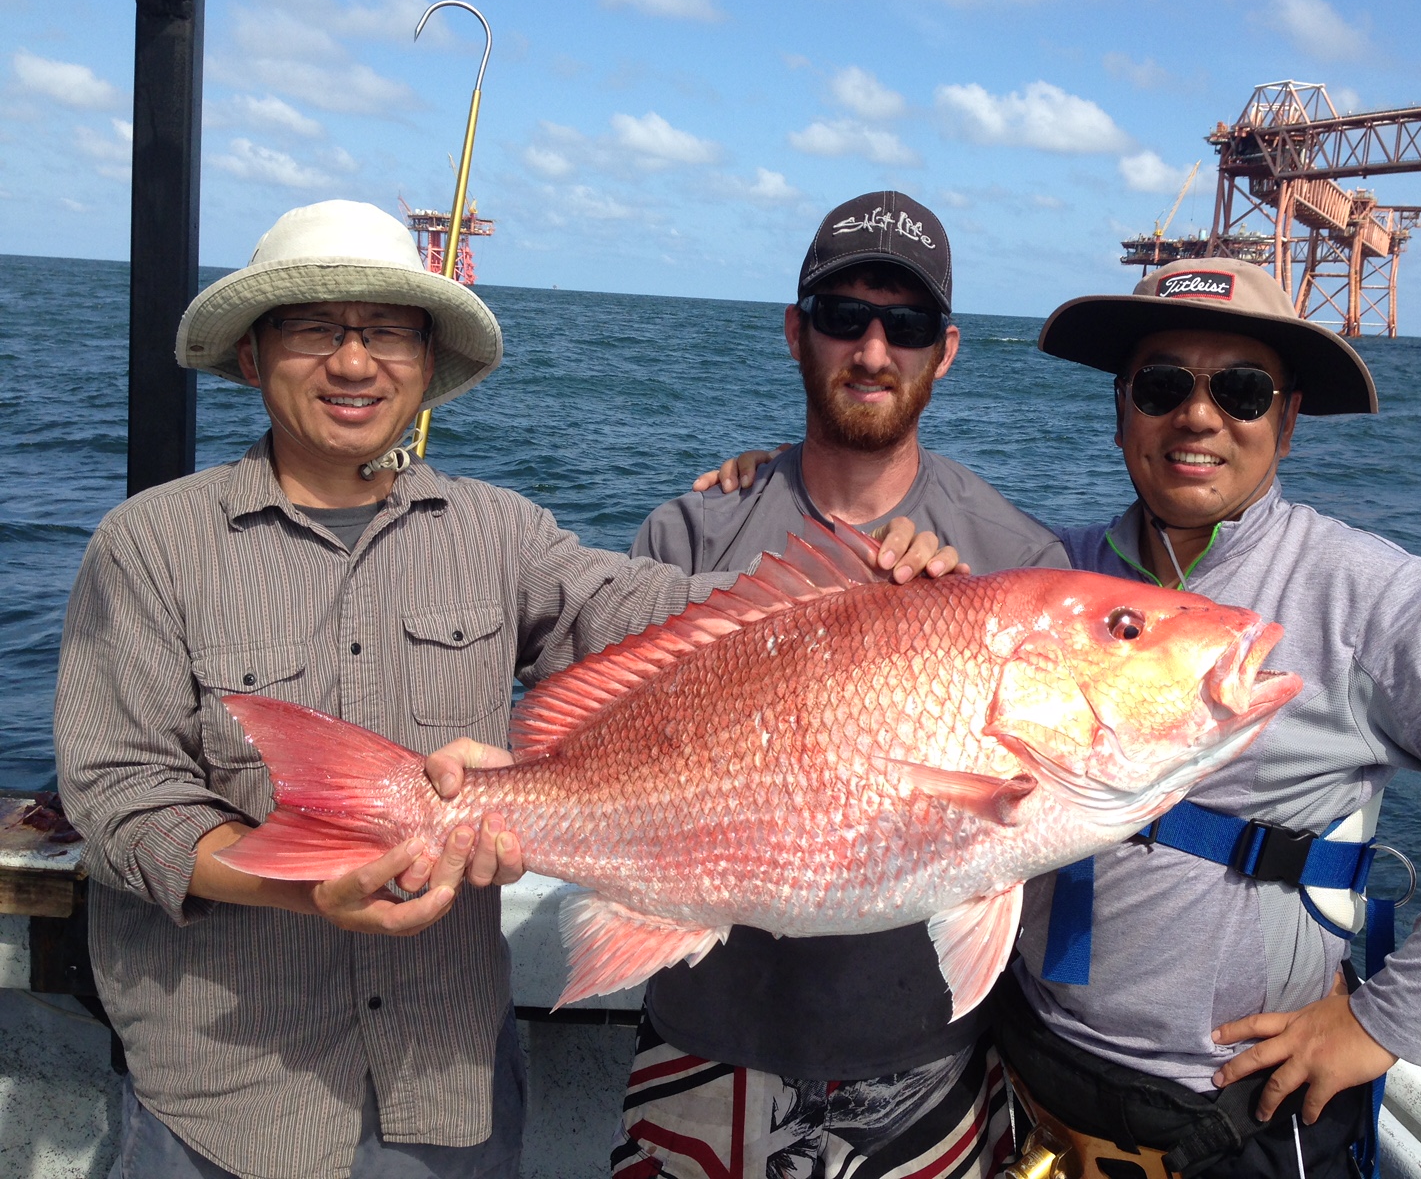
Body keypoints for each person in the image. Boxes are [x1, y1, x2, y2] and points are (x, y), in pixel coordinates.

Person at [53, 199, 950, 1179]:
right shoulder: (148, 547)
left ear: (427, 363)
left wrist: (875, 600)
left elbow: (658, 612)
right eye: (314, 327)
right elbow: (119, 794)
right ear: (253, 356)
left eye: (388, 330)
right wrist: (304, 883)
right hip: (219, 1100)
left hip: (450, 1089)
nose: (355, 362)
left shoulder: (501, 534)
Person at [987, 257, 1421, 1177]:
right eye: (1162, 386)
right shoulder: (1048, 574)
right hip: (1032, 1069)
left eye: (1241, 389)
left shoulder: (1370, 598)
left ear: (1288, 421)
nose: (1198, 416)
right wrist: (766, 485)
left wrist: (1382, 1023)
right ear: (1122, 413)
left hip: (1232, 1115)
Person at [610, 191, 1070, 1179]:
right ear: (794, 333)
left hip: (922, 1067)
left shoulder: (1011, 561)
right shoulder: (688, 534)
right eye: (840, 318)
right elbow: (600, 731)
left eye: (904, 327)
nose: (871, 351)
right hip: (702, 1043)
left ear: (943, 351)